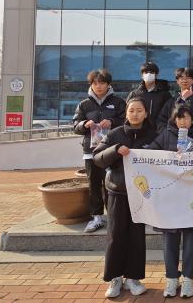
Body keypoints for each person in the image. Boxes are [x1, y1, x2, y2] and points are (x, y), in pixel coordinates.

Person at [92, 97, 157, 298]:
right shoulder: (115, 134)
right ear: (126, 113)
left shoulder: (154, 135)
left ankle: (133, 278)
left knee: (137, 237)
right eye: (131, 110)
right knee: (116, 235)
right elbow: (97, 158)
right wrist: (115, 150)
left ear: (146, 113)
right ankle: (115, 278)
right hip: (117, 192)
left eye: (139, 110)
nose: (135, 114)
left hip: (141, 195)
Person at [147, 105, 193, 298]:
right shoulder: (165, 136)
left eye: (187, 117)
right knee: (169, 239)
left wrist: (192, 155)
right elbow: (150, 155)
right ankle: (171, 278)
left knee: (191, 239)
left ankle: (188, 279)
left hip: (192, 196)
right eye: (179, 118)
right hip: (170, 198)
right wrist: (169, 157)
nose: (183, 121)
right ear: (174, 120)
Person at [73, 69, 126, 234]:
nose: (99, 86)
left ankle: (113, 217)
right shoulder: (84, 104)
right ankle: (96, 218)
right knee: (94, 185)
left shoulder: (118, 102)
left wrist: (112, 121)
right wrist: (84, 124)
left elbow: (126, 121)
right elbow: (75, 125)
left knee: (112, 184)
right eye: (95, 83)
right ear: (91, 85)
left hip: (112, 151)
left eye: (102, 83)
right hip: (91, 151)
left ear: (108, 84)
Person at [157, 67, 193, 135]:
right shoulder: (171, 101)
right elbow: (161, 121)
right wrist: (168, 134)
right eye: (181, 78)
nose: (185, 81)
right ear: (177, 81)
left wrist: (188, 100)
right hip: (174, 138)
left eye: (188, 78)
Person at [126, 61, 172, 131]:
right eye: (146, 72)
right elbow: (127, 112)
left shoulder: (165, 94)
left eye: (151, 72)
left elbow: (169, 114)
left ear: (156, 75)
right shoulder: (134, 94)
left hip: (158, 131)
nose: (149, 74)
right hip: (138, 130)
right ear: (142, 75)